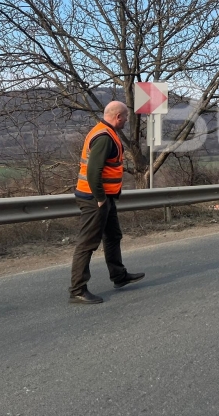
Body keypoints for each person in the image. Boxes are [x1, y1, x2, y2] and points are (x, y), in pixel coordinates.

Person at [69, 101, 144, 304]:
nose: (127, 120)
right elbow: (93, 171)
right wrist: (101, 198)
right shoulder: (104, 137)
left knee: (113, 235)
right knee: (88, 242)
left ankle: (119, 276)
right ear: (118, 117)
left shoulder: (106, 131)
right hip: (95, 198)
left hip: (104, 197)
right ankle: (77, 290)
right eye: (126, 117)